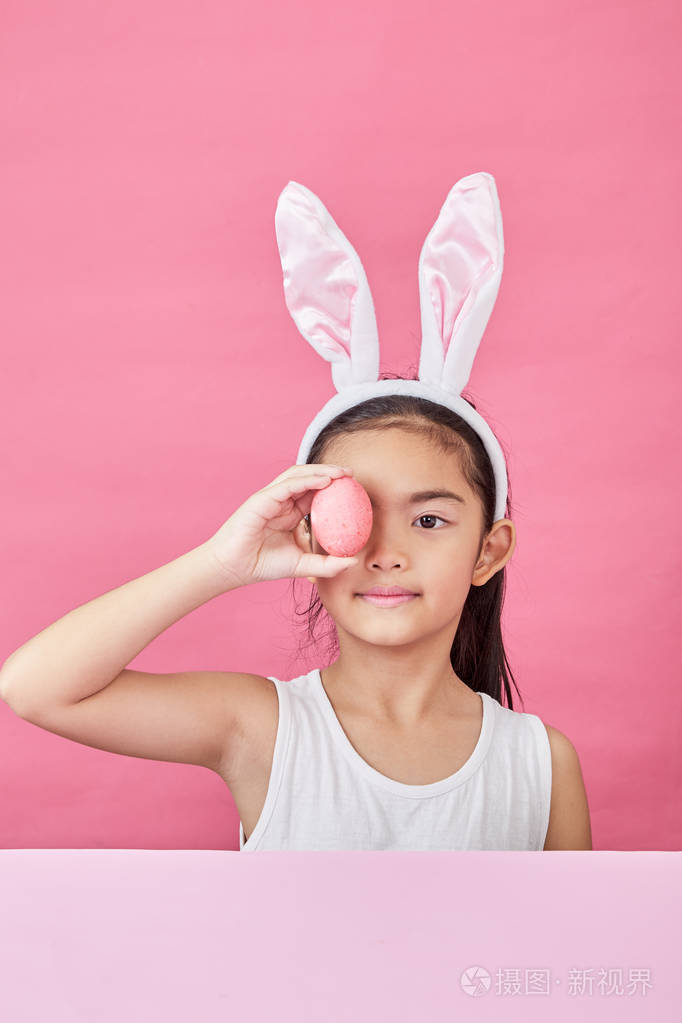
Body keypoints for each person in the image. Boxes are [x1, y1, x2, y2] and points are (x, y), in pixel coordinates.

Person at [0, 173, 592, 852]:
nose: (387, 552)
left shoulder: (541, 764)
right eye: (358, 513)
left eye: (429, 520)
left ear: (489, 549)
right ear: (309, 534)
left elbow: (561, 952)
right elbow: (34, 687)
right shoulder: (262, 728)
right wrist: (222, 562)